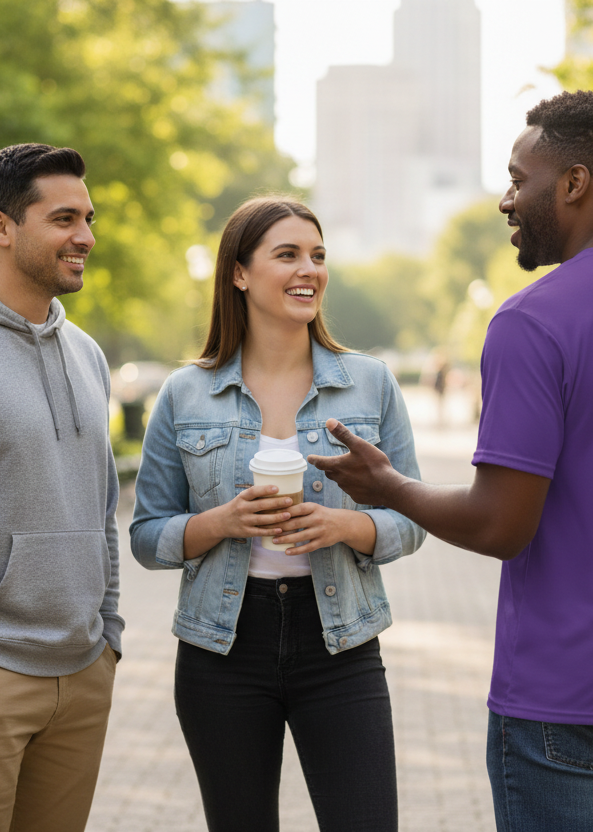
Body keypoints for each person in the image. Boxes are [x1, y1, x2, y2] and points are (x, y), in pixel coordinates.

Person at [308, 90, 593, 832]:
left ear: (574, 183)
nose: (506, 200)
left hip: (567, 695)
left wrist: (387, 484)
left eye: (519, 179)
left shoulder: (533, 322)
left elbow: (501, 526)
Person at [130, 196, 425, 832]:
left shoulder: (370, 383)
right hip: (222, 650)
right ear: (239, 273)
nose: (309, 270)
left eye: (318, 256)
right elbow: (148, 536)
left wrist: (349, 525)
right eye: (287, 254)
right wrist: (224, 521)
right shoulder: (185, 393)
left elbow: (414, 515)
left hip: (341, 642)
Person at [0, 144, 123, 831]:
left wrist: (109, 634)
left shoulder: (87, 353)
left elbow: (103, 505)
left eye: (87, 218)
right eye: (64, 218)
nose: (85, 236)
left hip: (83, 671)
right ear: (2, 227)